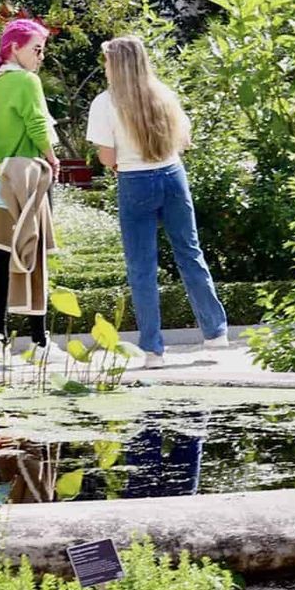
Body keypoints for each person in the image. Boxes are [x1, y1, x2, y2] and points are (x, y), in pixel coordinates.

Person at [86, 35, 227, 368]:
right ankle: (216, 333)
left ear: (116, 65)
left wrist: (123, 162)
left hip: (135, 181)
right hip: (172, 175)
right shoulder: (163, 93)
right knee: (190, 253)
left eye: (106, 61)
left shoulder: (106, 103)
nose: (104, 66)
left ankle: (153, 350)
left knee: (142, 267)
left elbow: (107, 156)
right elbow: (183, 140)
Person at [0, 17, 65, 361]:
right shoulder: (27, 81)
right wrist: (53, 159)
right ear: (14, 47)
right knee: (34, 256)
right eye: (35, 49)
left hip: (0, 180)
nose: (40, 57)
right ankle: (40, 343)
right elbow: (37, 124)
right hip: (26, 178)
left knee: (2, 257)